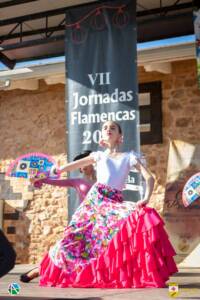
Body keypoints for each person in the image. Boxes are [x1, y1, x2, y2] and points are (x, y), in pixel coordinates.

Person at [38, 120, 177, 288]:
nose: (108, 129)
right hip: (94, 201)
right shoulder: (98, 156)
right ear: (102, 135)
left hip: (113, 204)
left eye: (113, 128)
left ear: (120, 136)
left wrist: (146, 198)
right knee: (74, 237)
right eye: (105, 128)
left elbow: (149, 178)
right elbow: (72, 166)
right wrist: (53, 172)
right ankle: (57, 271)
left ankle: (133, 274)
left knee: (144, 216)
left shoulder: (129, 157)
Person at [20, 151, 95, 283]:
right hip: (83, 220)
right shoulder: (77, 181)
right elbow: (53, 181)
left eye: (83, 163)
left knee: (92, 253)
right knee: (65, 247)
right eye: (79, 165)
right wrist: (38, 178)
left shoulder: (105, 178)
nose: (81, 168)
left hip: (101, 222)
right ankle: (39, 270)